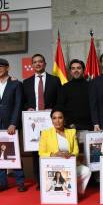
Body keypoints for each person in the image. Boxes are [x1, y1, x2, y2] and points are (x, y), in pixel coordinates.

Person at [0, 58, 26, 193]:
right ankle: (1, 183)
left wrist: (13, 123)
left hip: (11, 125)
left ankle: (20, 182)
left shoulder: (16, 84)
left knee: (14, 152)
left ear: (7, 67)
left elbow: (18, 105)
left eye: (1, 66)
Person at [23, 53, 61, 190]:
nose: (38, 64)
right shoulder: (26, 83)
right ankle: (40, 181)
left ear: (45, 64)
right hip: (34, 123)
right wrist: (28, 108)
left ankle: (52, 179)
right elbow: (23, 102)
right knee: (36, 152)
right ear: (32, 65)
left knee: (52, 149)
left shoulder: (55, 80)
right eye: (35, 62)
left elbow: (59, 100)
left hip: (50, 121)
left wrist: (54, 110)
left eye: (40, 61)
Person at [38, 108, 92, 196]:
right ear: (51, 120)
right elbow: (41, 153)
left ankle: (76, 192)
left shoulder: (71, 132)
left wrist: (70, 155)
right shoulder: (45, 133)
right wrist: (55, 155)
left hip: (69, 164)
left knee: (86, 171)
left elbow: (76, 151)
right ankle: (64, 190)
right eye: (54, 118)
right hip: (54, 167)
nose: (57, 121)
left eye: (60, 118)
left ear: (64, 119)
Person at [57, 59, 92, 130]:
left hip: (89, 127)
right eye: (73, 68)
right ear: (70, 71)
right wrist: (68, 123)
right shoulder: (65, 87)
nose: (76, 70)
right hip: (70, 127)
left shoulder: (91, 86)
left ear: (83, 70)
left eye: (79, 68)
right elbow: (60, 107)